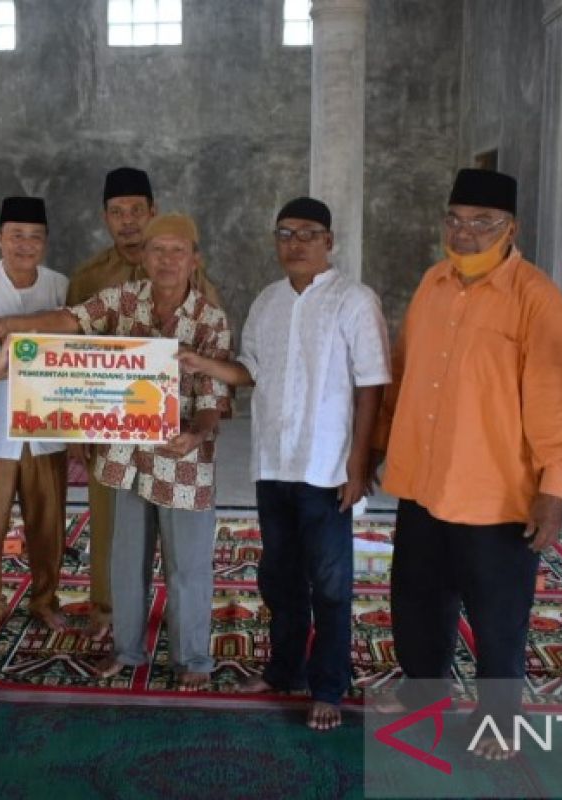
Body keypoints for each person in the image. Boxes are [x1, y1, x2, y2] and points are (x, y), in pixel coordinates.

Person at [377, 169, 562, 759]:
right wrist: (378, 441)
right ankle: (425, 692)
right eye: (455, 220)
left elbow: (559, 404)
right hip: (424, 481)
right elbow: (405, 369)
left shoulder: (535, 297)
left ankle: (500, 718)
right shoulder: (433, 283)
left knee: (498, 615)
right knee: (417, 596)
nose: (464, 233)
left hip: (495, 492)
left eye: (481, 223)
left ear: (510, 228)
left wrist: (554, 488)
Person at [0, 213, 232, 690]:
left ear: (195, 259)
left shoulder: (210, 319)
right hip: (127, 458)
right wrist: (8, 324)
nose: (166, 260)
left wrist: (196, 434)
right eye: (157, 250)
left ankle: (193, 659)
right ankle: (128, 650)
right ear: (144, 256)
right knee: (125, 561)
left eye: (178, 251)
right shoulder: (122, 300)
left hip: (183, 460)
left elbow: (214, 399)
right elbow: (67, 320)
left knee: (187, 566)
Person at [178, 197, 390, 730]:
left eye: (308, 234)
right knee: (280, 577)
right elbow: (249, 369)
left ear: (329, 241)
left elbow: (371, 387)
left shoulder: (354, 301)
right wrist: (202, 363)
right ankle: (284, 668)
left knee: (331, 583)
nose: (295, 244)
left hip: (326, 466)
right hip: (273, 462)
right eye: (285, 234)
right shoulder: (267, 301)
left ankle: (328, 685)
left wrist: (358, 464)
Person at [68, 167, 221, 638]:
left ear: (153, 213)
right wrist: (78, 429)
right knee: (114, 528)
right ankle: (108, 609)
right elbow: (71, 351)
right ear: (105, 218)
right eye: (117, 212)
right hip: (111, 431)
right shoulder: (92, 278)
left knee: (181, 539)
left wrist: (201, 425)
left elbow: (216, 359)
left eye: (137, 210)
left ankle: (184, 631)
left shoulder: (198, 288)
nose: (128, 220)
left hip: (175, 435)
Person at [0, 196, 71, 631]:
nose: (25, 245)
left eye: (34, 237)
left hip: (45, 424)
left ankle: (45, 600)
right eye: (16, 235)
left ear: (46, 242)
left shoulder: (59, 287)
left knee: (47, 522)